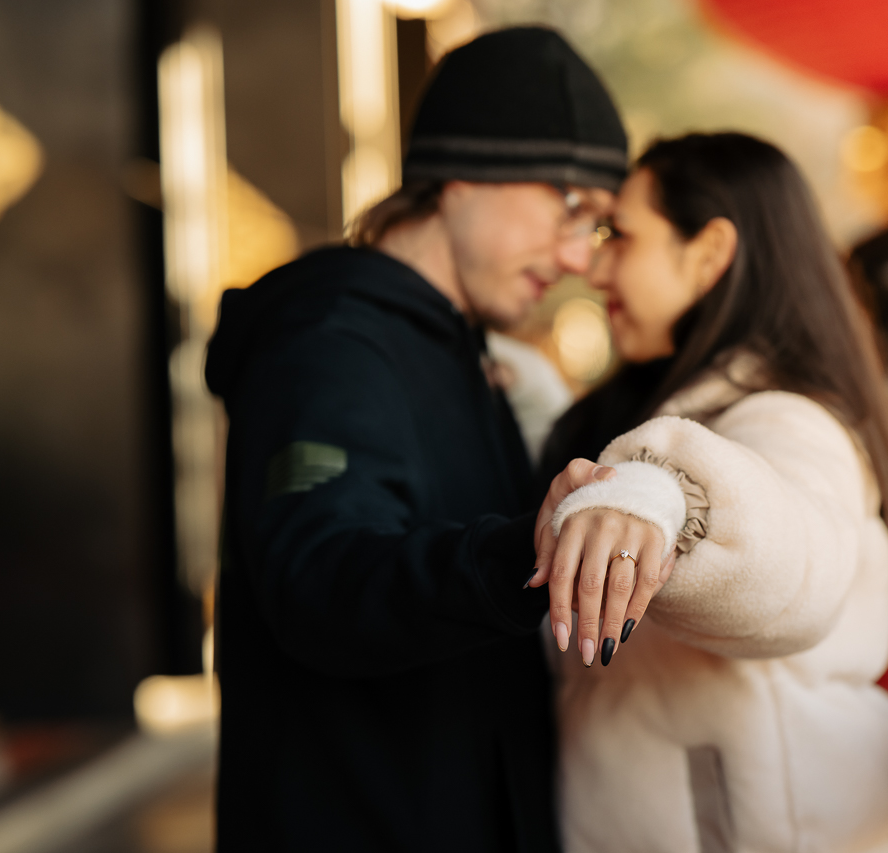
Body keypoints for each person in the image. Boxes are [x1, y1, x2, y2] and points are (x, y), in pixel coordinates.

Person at [204, 27, 634, 852]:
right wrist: (527, 554)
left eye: (602, 228)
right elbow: (320, 577)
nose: (580, 255)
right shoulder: (329, 343)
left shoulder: (463, 351)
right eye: (570, 206)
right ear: (465, 173)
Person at [530, 133, 888, 852]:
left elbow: (796, 565)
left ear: (710, 252)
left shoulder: (785, 418)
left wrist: (667, 498)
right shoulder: (674, 406)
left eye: (620, 237)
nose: (594, 267)